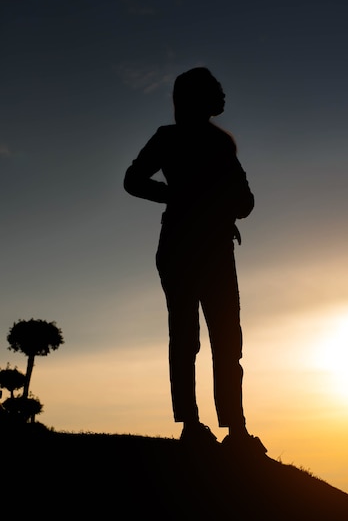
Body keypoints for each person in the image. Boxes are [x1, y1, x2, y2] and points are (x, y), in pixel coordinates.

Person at [124, 67, 266, 454]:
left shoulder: (222, 144)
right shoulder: (168, 138)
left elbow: (246, 201)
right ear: (196, 97)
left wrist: (219, 208)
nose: (220, 96)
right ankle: (191, 425)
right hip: (181, 249)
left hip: (216, 249)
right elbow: (133, 180)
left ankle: (235, 429)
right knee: (186, 338)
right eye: (212, 90)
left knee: (226, 340)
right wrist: (179, 197)